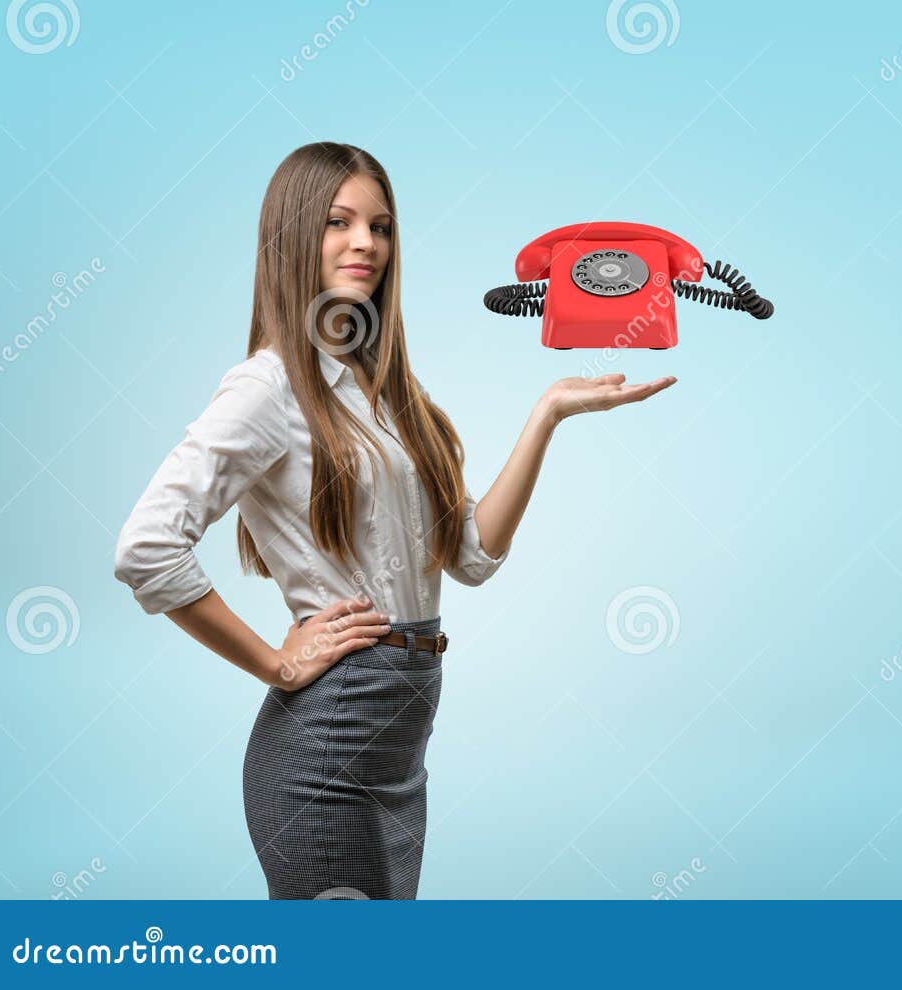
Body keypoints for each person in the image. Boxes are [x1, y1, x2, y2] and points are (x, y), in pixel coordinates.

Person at [112, 141, 674, 899]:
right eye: (338, 222)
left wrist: (548, 414)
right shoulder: (268, 388)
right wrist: (275, 664)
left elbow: (471, 554)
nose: (365, 244)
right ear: (292, 238)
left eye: (380, 226)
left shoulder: (386, 398)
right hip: (328, 748)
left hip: (399, 745)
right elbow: (147, 548)